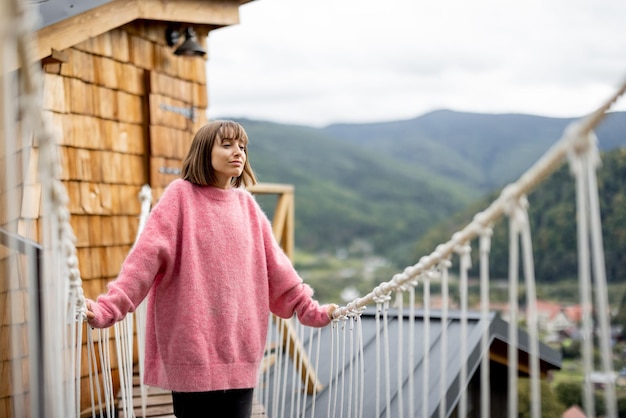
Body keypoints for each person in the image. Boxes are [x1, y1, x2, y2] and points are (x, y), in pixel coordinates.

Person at [86, 120, 337, 418]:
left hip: (241, 347)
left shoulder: (247, 205)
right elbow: (143, 261)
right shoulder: (180, 197)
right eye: (227, 144)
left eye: (242, 147)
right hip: (191, 348)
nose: (238, 152)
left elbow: (278, 268)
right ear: (205, 151)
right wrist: (108, 309)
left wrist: (309, 309)